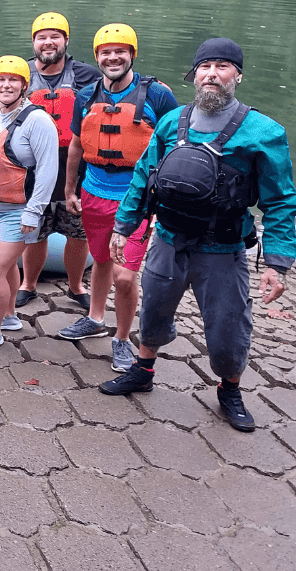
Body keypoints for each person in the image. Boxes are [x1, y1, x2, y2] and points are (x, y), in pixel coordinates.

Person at [100, 38, 296, 431]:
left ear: (237, 75)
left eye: (223, 67)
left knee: (227, 328)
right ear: (194, 75)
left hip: (222, 249)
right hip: (168, 240)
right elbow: (145, 175)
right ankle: (143, 371)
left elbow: (281, 200)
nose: (212, 74)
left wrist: (277, 262)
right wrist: (124, 226)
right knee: (153, 312)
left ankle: (230, 390)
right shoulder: (174, 122)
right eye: (205, 67)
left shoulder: (263, 131)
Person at [60, 24, 178, 372]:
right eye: (105, 52)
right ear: (97, 57)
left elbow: (173, 147)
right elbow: (77, 146)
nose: (112, 57)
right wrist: (69, 189)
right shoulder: (86, 95)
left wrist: (165, 199)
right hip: (93, 192)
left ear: (132, 55)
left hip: (138, 199)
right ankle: (95, 318)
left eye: (120, 51)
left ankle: (123, 338)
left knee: (125, 276)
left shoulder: (158, 95)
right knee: (99, 259)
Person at [0, 56, 59, 355]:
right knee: (5, 268)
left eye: (13, 80)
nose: (6, 85)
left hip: (20, 210)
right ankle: (8, 317)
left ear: (24, 85)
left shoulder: (37, 120)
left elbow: (48, 170)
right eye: (0, 80)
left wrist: (34, 212)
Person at [17, 12, 101, 311]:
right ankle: (28, 284)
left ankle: (76, 286)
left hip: (75, 171)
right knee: (35, 233)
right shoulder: (21, 73)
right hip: (33, 172)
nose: (48, 42)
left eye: (55, 36)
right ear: (34, 42)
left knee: (78, 236)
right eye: (42, 37)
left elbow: (119, 96)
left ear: (66, 40)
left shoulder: (87, 75)